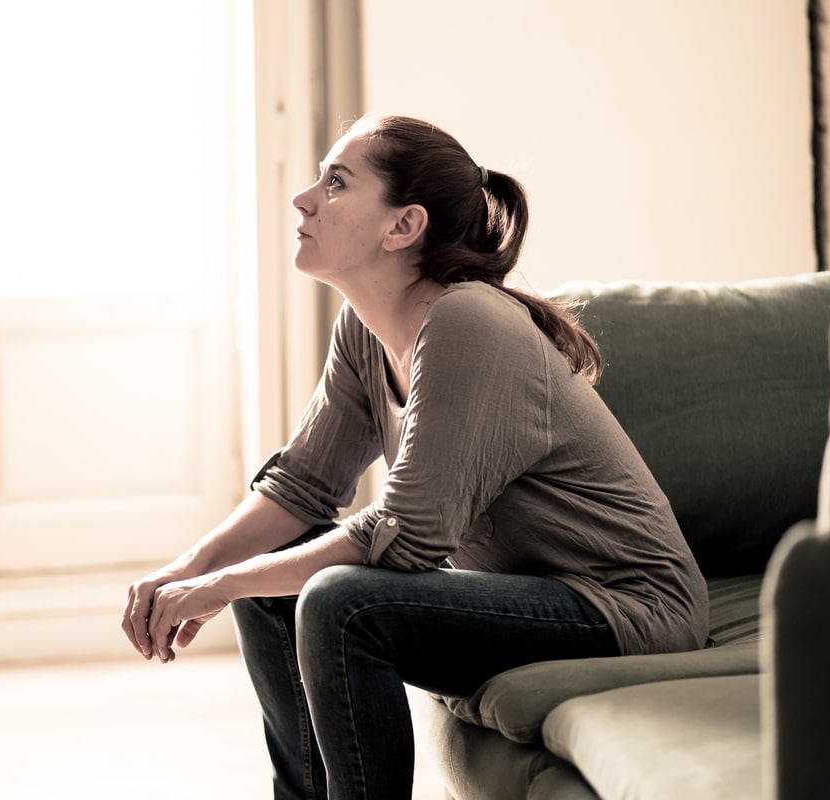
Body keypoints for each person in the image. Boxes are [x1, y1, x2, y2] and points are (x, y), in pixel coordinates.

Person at [122, 114, 708, 800]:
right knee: (268, 588)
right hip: (537, 595)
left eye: (336, 183)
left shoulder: (467, 321)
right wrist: (191, 569)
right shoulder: (365, 329)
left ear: (403, 227)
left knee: (336, 600)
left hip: (628, 608)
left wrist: (224, 584)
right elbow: (302, 487)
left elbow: (408, 538)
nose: (303, 199)